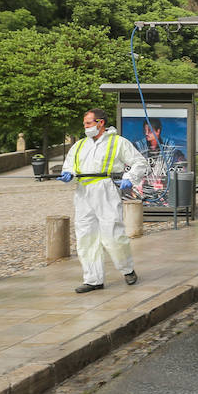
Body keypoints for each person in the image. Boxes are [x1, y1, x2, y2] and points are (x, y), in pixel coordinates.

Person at [60, 108, 150, 294]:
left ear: (100, 123)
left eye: (88, 123)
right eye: (84, 123)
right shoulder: (79, 146)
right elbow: (69, 166)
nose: (85, 127)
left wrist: (130, 177)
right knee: (85, 236)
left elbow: (140, 162)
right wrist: (68, 175)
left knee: (112, 233)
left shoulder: (118, 143)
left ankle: (127, 270)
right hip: (83, 193)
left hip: (106, 189)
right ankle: (93, 279)